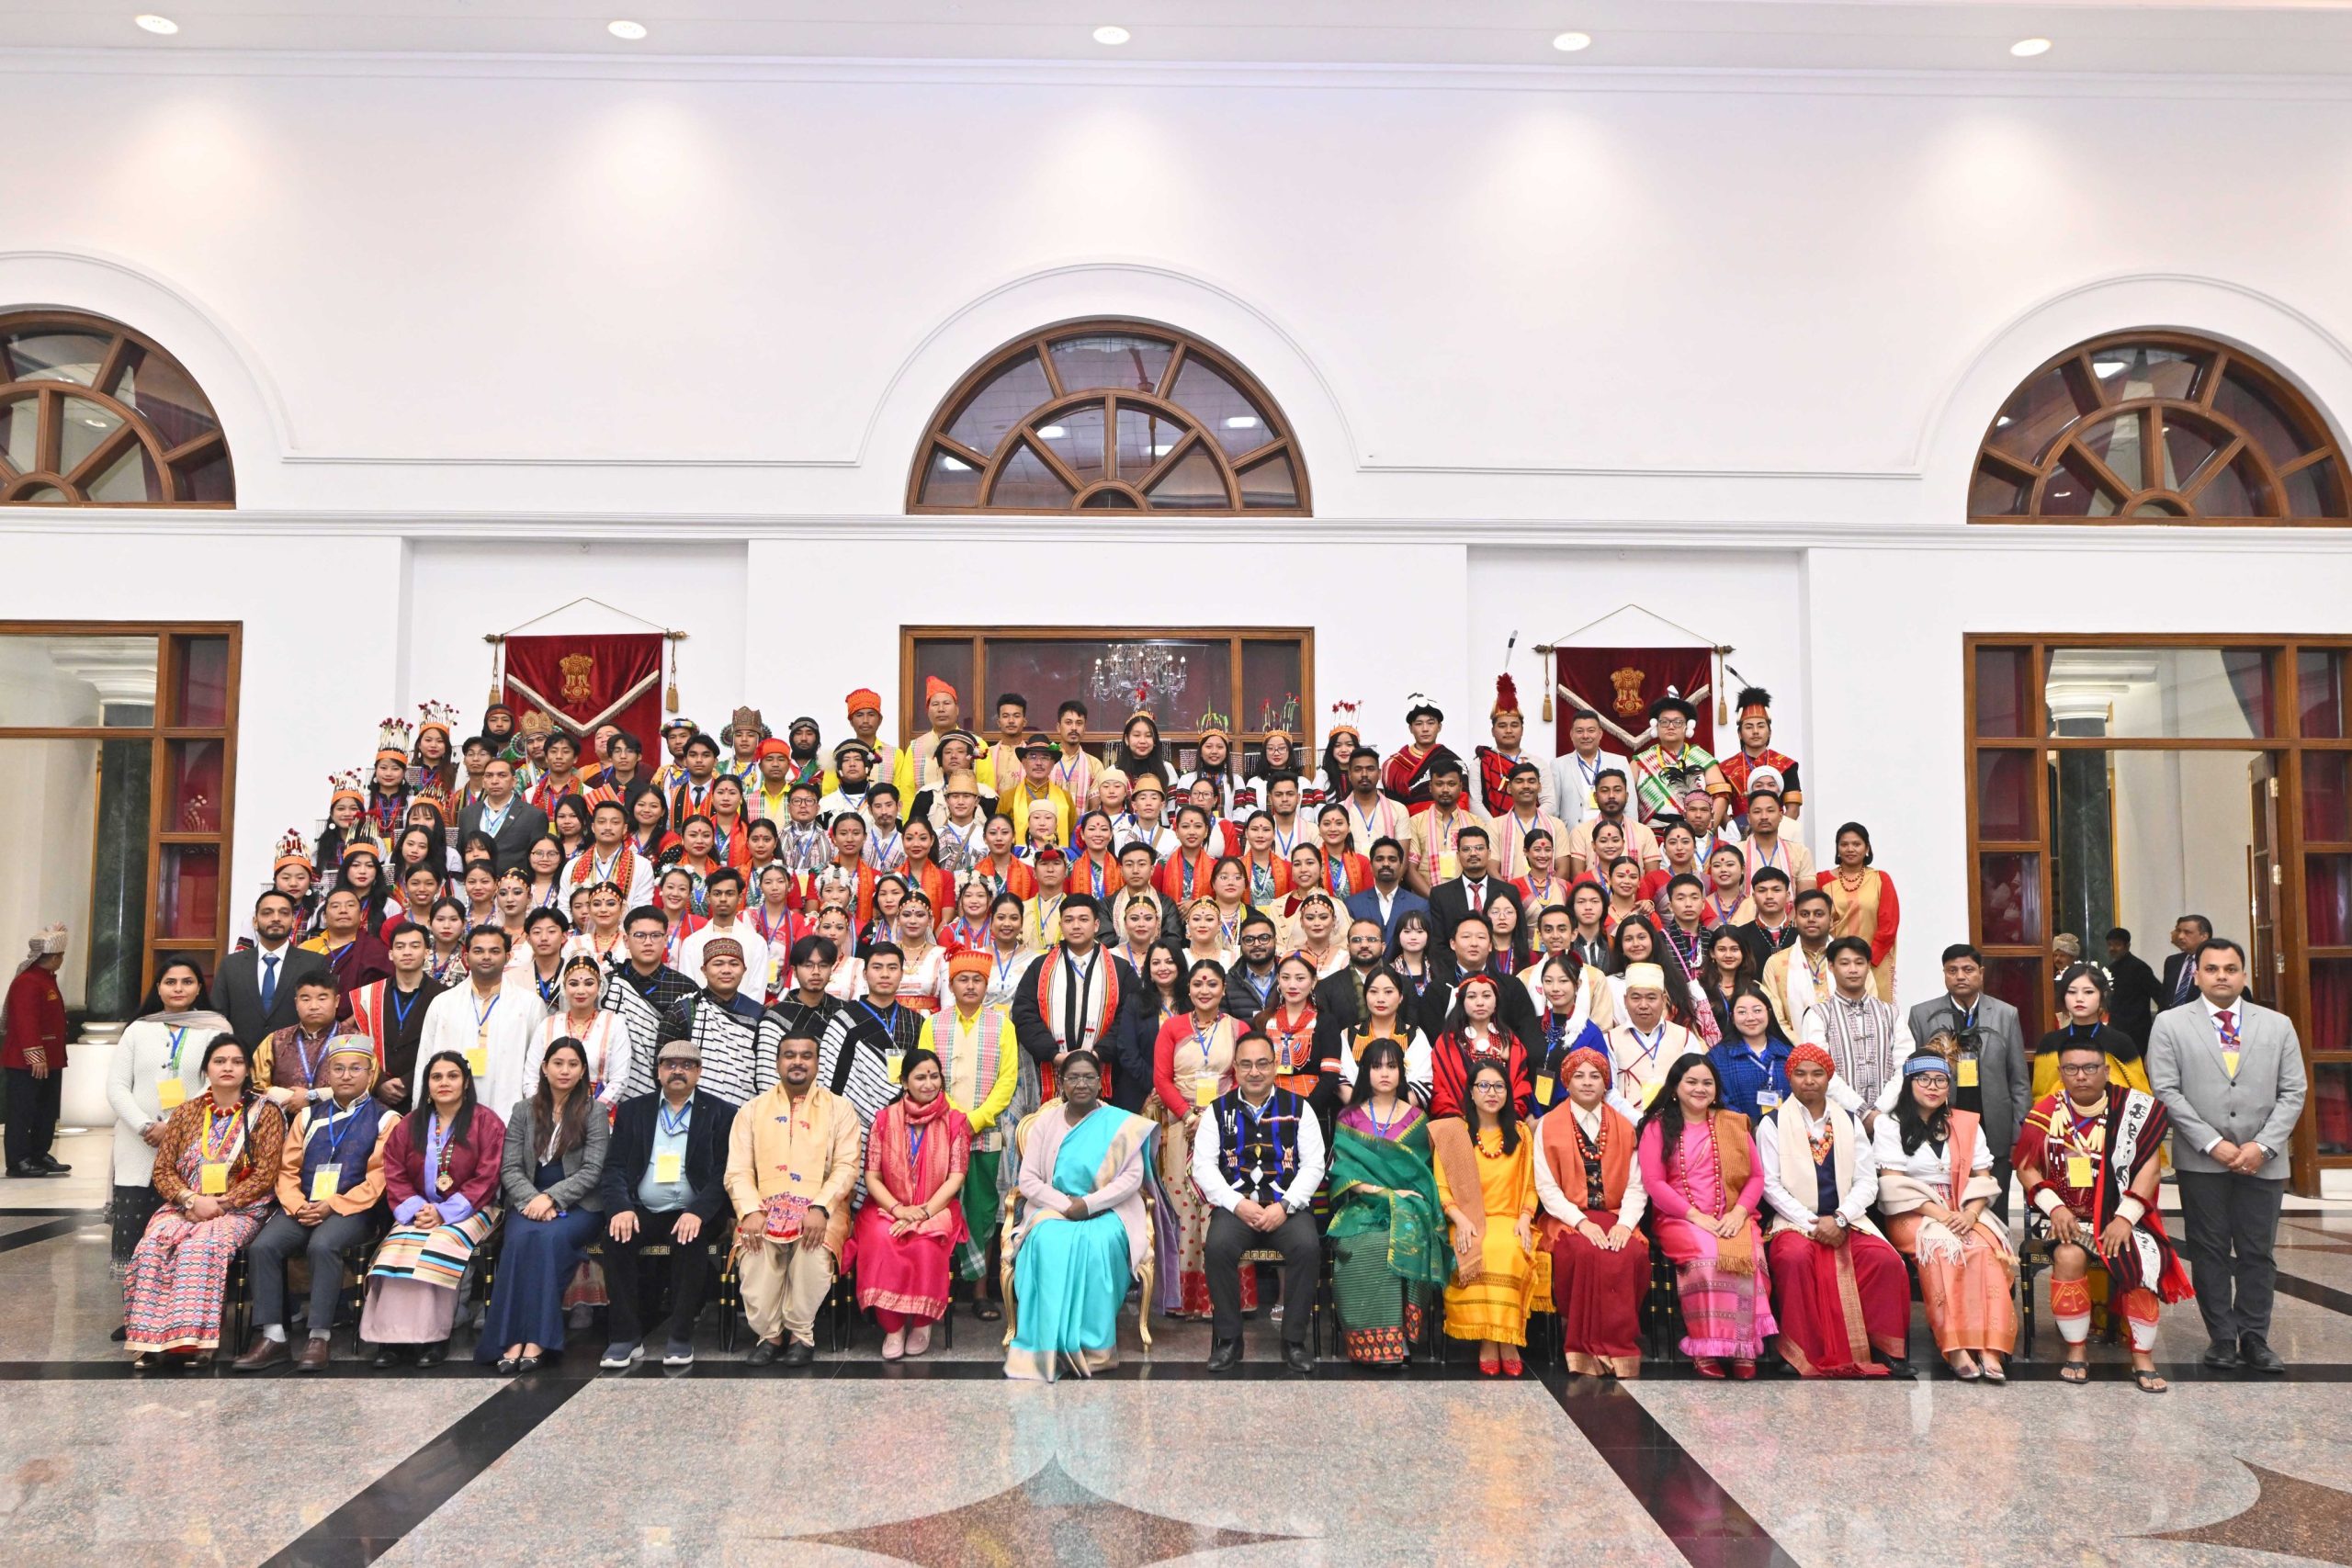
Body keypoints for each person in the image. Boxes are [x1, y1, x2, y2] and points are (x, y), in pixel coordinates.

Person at [2148, 936, 2305, 1374]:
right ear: (2196, 974)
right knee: (2210, 1249)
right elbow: (2166, 1090)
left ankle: (2255, 1337)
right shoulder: (2171, 1024)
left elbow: (2294, 1090)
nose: (2222, 976)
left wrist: (2263, 1145)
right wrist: (2212, 1143)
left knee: (2258, 1252)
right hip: (2202, 1161)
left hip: (2265, 1161)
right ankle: (2221, 1337)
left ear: (2243, 974)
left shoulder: (2278, 1024)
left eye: (2230, 969)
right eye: (2212, 969)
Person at [2013, 1037, 2194, 1392]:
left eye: (2090, 1068)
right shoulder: (2046, 1111)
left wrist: (2125, 1217)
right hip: (2062, 1215)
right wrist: (2055, 1207)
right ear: (2060, 1073)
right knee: (2067, 1255)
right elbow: (2025, 1167)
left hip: (2121, 1214)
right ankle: (2076, 1351)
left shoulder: (2133, 1110)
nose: (2081, 1076)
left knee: (2141, 1258)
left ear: (2106, 1071)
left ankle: (2142, 1355)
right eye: (2071, 1069)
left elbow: (2150, 1171)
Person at [123, 1035, 288, 1368]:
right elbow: (164, 1169)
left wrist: (222, 1204)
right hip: (184, 1206)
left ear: (248, 1071)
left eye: (237, 1061)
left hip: (241, 1210)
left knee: (201, 1245)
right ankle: (149, 1340)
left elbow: (265, 1174)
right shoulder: (186, 1113)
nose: (228, 1067)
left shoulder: (264, 1113)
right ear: (206, 1069)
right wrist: (189, 1199)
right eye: (219, 1061)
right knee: (154, 1242)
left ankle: (192, 1343)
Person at [232, 1042, 399, 1371]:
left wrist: (331, 1205)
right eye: (338, 1069)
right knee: (263, 1246)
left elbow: (378, 1179)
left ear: (370, 1073)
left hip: (353, 1209)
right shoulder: (308, 1115)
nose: (346, 1075)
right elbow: (287, 1168)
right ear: (327, 1074)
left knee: (323, 1245)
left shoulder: (387, 1118)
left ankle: (318, 1337)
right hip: (302, 1205)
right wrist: (296, 1206)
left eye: (356, 1068)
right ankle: (273, 1336)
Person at [1757, 1042, 1909, 1378]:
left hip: (1849, 1219)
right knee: (1793, 1259)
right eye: (1800, 1074)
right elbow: (1770, 1185)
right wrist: (1813, 1223)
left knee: (1884, 1261)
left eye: (1817, 1073)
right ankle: (1796, 1352)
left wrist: (1840, 1217)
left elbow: (1867, 1181)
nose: (1809, 1081)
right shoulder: (1771, 1124)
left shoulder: (1849, 1121)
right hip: (1795, 1221)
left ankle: (1885, 1349)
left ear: (1829, 1079)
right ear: (1789, 1078)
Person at [1002, 1049, 1154, 1381]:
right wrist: (1064, 1204)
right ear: (1062, 1083)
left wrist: (1088, 1204)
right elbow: (1027, 1180)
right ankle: (1048, 1345)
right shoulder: (1045, 1124)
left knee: (1100, 1244)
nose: (1081, 1084)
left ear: (1101, 1082)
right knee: (1043, 1241)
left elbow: (1132, 1179)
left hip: (1107, 1211)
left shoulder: (1119, 1124)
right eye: (1073, 1077)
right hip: (1054, 1210)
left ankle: (1094, 1348)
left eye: (1088, 1077)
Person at [1874, 1053, 2018, 1382]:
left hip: (1964, 1207)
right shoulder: (1889, 1123)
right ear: (1909, 1083)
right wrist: (1940, 1214)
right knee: (1942, 1249)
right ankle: (1955, 1347)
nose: (1932, 1087)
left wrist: (1970, 1212)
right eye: (1923, 1079)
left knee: (1984, 1251)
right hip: (1912, 1211)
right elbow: (1892, 1184)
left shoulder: (1965, 1122)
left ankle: (1989, 1346)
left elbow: (1984, 1176)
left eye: (1940, 1080)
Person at [597, 1039, 739, 1370]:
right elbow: (615, 1167)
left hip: (698, 1211)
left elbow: (723, 1174)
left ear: (699, 1072)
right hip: (643, 1209)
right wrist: (621, 1208)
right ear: (658, 1071)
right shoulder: (634, 1111)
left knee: (689, 1238)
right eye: (670, 1065)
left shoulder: (721, 1112)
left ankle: (679, 1335)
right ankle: (626, 1337)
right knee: (616, 1237)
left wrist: (698, 1213)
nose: (678, 1071)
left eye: (687, 1065)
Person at [359, 1052, 506, 1367]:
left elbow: (488, 1176)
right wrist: (416, 1210)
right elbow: (394, 1171)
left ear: (466, 1083)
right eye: (436, 1077)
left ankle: (434, 1337)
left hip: (471, 1209)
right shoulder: (411, 1123)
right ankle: (392, 1340)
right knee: (396, 1247)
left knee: (437, 1245)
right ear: (426, 1084)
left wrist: (445, 1213)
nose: (444, 1083)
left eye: (452, 1076)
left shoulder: (486, 1122)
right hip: (417, 1209)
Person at [1194, 1032, 1327, 1375]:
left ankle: (1294, 1341)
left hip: (1287, 1209)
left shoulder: (1300, 1108)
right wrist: (1236, 1204)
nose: (1255, 1071)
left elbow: (1314, 1164)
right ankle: (1229, 1340)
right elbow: (1203, 1167)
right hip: (1237, 1208)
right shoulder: (1217, 1110)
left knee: (1307, 1247)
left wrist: (1285, 1206)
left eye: (1263, 1064)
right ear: (1235, 1068)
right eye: (1247, 1064)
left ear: (1275, 1067)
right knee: (1218, 1246)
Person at [727, 1033, 862, 1366]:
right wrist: (750, 1211)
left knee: (813, 1254)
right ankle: (770, 1335)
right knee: (754, 1254)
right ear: (777, 1062)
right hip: (762, 1206)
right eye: (790, 1055)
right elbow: (738, 1171)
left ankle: (801, 1333)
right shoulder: (751, 1111)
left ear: (817, 1063)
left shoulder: (840, 1109)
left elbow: (847, 1167)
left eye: (806, 1055)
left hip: (823, 1206)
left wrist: (820, 1206)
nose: (798, 1061)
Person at [1637, 1052, 1775, 1378]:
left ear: (1716, 1089)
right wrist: (1695, 1217)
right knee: (1709, 1256)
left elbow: (1756, 1177)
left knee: (1749, 1256)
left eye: (1707, 1083)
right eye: (1692, 1082)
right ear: (1675, 1086)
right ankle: (1707, 1347)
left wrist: (1740, 1213)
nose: (1700, 1089)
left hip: (1733, 1216)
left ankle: (1743, 1348)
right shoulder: (1658, 1126)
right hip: (1680, 1220)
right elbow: (1654, 1183)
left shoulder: (1732, 1123)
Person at [478, 1037, 610, 1371]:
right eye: (558, 1063)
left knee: (549, 1239)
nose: (565, 1071)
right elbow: (509, 1167)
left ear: (583, 1072)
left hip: (579, 1204)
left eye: (573, 1065)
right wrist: (533, 1198)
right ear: (544, 1067)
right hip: (527, 1198)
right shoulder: (523, 1110)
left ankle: (537, 1338)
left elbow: (594, 1170)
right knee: (520, 1239)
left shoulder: (594, 1112)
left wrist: (552, 1197)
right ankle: (510, 1339)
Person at [1327, 1040, 1447, 1367]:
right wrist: (1385, 1195)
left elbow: (1421, 1174)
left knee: (1405, 1238)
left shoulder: (1418, 1119)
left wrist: (1402, 1198)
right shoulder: (1350, 1117)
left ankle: (1403, 1339)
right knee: (1369, 1246)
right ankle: (1372, 1343)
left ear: (1401, 1072)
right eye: (1376, 1066)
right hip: (1363, 1208)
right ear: (1365, 1071)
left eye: (1391, 1066)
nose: (1384, 1073)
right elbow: (1344, 1175)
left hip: (1410, 1206)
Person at [1532, 1046, 1650, 1379]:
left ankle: (1619, 1346)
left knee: (1630, 1254)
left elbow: (1637, 1185)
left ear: (1605, 1083)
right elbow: (1547, 1188)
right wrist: (1581, 1223)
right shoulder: (1548, 1126)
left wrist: (1626, 1225)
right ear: (1567, 1082)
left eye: (1595, 1076)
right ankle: (1584, 1347)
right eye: (1579, 1076)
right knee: (1584, 1252)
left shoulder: (1625, 1127)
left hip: (1616, 1215)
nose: (1587, 1083)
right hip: (1567, 1217)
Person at [107, 961, 233, 1266]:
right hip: (137, 1142)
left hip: (193, 1142)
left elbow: (216, 1083)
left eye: (187, 982)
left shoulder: (217, 1027)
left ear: (199, 988)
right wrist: (144, 1125)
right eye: (170, 982)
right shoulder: (138, 1029)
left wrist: (173, 1127)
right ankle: (136, 1306)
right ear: (158, 987)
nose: (178, 988)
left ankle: (181, 1303)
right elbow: (117, 1086)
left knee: (185, 1224)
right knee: (136, 1225)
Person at [851, 1046, 973, 1359]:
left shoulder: (956, 1122)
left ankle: (922, 1322)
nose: (928, 1083)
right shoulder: (884, 1120)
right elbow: (872, 1176)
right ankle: (892, 1327)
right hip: (887, 1207)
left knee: (924, 1244)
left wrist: (923, 1213)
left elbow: (956, 1177)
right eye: (920, 1077)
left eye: (934, 1076)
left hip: (937, 1208)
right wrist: (899, 1209)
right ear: (905, 1081)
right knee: (881, 1240)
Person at [920, 951, 1022, 1320]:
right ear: (951, 985)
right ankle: (939, 1289)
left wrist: (975, 1120)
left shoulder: (1002, 1025)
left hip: (986, 1132)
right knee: (941, 1207)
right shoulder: (933, 1024)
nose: (970, 986)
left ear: (986, 985)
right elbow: (926, 1075)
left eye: (977, 980)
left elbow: (1007, 1079)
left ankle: (980, 1293)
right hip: (940, 1130)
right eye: (963, 979)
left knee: (982, 1210)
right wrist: (951, 1117)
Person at [1431, 1060, 1538, 1376]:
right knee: (1482, 1245)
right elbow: (1442, 1189)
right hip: (1466, 1220)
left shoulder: (1520, 1135)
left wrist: (1524, 1217)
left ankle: (1508, 1339)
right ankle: (1490, 1340)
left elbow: (1532, 1186)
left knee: (1507, 1248)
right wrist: (1461, 1220)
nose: (1491, 1093)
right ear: (1471, 1092)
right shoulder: (1454, 1134)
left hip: (1510, 1218)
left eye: (1499, 1086)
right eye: (1483, 1086)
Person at [1907, 942, 2030, 1218]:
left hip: (1993, 1121)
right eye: (1952, 970)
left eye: (1967, 970)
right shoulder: (1922, 1014)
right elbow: (1912, 1077)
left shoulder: (2005, 1014)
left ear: (1981, 973)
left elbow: (2018, 1079)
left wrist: (2019, 1132)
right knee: (1950, 1204)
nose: (1960, 976)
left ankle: (1997, 1255)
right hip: (1942, 1121)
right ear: (1944, 974)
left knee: (1993, 1204)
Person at [1153, 959, 1244, 1320]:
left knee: (1217, 1202)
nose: (1204, 990)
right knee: (1181, 1203)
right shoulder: (1172, 1028)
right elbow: (1161, 1079)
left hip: (1224, 1124)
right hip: (1179, 1123)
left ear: (1223, 989)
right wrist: (1189, 1115)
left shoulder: (1238, 1028)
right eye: (1197, 984)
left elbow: (1243, 1077)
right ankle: (1180, 1298)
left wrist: (1212, 1116)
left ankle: (1217, 1298)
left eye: (1212, 984)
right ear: (1187, 989)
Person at [420, 925, 548, 1115]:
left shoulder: (530, 1005)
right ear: (466, 958)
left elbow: (537, 1066)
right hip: (449, 1110)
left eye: (494, 951)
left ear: (508, 957)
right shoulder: (443, 1003)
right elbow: (425, 1058)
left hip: (509, 1107)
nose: (486, 957)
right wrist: (420, 1110)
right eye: (478, 951)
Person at [1803, 936, 1916, 1113]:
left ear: (1868, 966)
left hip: (1889, 1119)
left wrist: (1880, 1111)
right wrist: (1861, 1111)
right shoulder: (1818, 1015)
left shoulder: (1891, 1013)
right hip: (1837, 1117)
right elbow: (1820, 1071)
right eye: (1845, 963)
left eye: (1859, 963)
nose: (1853, 970)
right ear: (1831, 967)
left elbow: (1907, 1066)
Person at [659, 936, 772, 1108]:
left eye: (734, 964)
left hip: (744, 1112)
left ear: (744, 969)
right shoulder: (684, 1010)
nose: (726, 970)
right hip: (692, 1111)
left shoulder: (758, 1014)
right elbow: (662, 1065)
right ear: (704, 970)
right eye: (718, 964)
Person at [213, 891, 333, 1047]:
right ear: (255, 922)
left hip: (298, 1060)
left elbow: (322, 1016)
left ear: (293, 921)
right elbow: (218, 1017)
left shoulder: (314, 963)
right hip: (242, 1060)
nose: (276, 918)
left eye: (283, 913)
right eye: (267, 913)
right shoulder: (231, 964)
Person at [2033, 962, 2150, 1100]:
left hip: (2112, 1120)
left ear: (2102, 996)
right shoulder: (2049, 1043)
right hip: (2059, 1120)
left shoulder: (2121, 1043)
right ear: (2063, 996)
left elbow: (2141, 1096)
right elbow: (2040, 1097)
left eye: (2089, 992)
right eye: (2071, 992)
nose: (2079, 999)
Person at [1429, 973, 1532, 1120]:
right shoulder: (1447, 1042)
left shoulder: (1510, 1041)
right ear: (1461, 1001)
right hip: (1459, 1126)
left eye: (1486, 996)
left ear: (1496, 1000)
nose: (1480, 1003)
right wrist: (1457, 1119)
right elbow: (1440, 1090)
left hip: (1504, 1123)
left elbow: (1521, 1086)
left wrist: (1510, 1117)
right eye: (1472, 997)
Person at [1817, 822, 1898, 1002]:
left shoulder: (1880, 879)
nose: (1850, 849)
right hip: (1834, 963)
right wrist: (1839, 962)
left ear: (1867, 848)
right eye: (1844, 844)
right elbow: (1817, 923)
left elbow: (1889, 925)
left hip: (1874, 962)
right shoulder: (1822, 880)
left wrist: (1866, 961)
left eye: (1857, 844)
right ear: (1837, 849)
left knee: (1877, 1014)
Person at [1606, 962, 1699, 1111]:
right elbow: (1610, 1092)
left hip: (1676, 1124)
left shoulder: (1685, 1038)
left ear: (1663, 1000)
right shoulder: (1609, 1040)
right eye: (1635, 998)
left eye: (1651, 998)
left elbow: (1695, 1083)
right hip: (1628, 1127)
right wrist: (1640, 1121)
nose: (1643, 1005)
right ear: (1625, 1000)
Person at [1707, 987, 1793, 1124]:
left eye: (1757, 1010)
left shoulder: (1790, 1055)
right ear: (1732, 1017)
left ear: (1769, 1013)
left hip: (1787, 1132)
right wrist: (1749, 1126)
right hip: (1738, 1135)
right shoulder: (1717, 1057)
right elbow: (1717, 1100)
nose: (1750, 1017)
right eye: (1742, 1012)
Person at [458, 755, 550, 874]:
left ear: (514, 781)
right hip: (476, 886)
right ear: (483, 782)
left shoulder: (533, 816)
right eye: (489, 776)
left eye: (502, 775)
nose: (495, 781)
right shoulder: (467, 813)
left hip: (514, 887)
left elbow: (537, 858)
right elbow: (462, 851)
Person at [1551, 710, 1633, 831]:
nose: (1585, 736)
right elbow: (1554, 810)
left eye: (1591, 730)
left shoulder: (1620, 762)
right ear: (1571, 734)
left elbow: (1630, 806)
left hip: (1612, 837)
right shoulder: (1558, 765)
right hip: (1573, 835)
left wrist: (1630, 835)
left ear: (1600, 733)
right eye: (1579, 731)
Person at [1344, 837, 1429, 942]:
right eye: (1379, 859)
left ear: (1401, 865)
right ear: (1370, 866)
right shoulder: (1352, 905)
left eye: (1392, 859)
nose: (1386, 864)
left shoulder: (1419, 906)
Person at [2103, 927, 2164, 1052]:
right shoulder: (2111, 968)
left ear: (2127, 946)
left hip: (2137, 1032)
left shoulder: (2139, 968)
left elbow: (2160, 996)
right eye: (2109, 945)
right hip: (2115, 1028)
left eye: (2117, 945)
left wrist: (2161, 1025)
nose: (2112, 949)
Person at [2158, 913, 2213, 1010]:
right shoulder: (2172, 961)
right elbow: (2165, 998)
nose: (2180, 936)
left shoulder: (2215, 963)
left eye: (2187, 932)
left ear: (2204, 936)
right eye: (2179, 931)